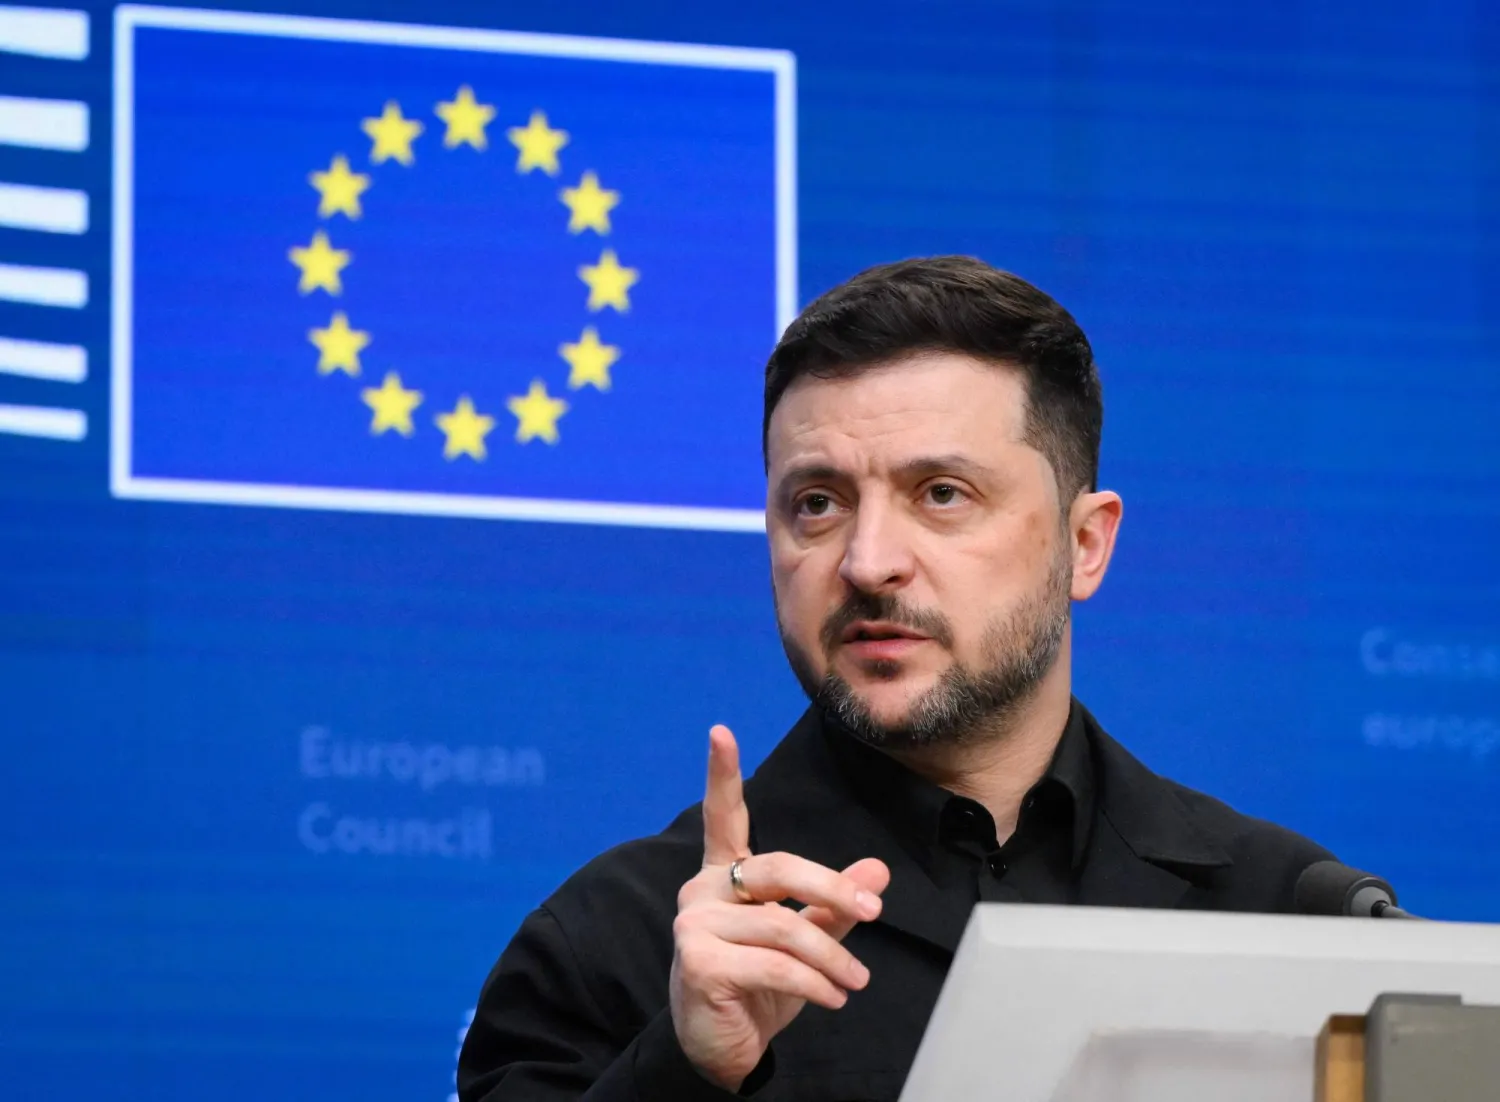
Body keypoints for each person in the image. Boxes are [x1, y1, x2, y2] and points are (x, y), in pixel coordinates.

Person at [456, 256, 1333, 1101]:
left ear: (1085, 544)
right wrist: (689, 1074)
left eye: (941, 493)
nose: (868, 562)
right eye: (818, 504)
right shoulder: (612, 945)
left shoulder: (1292, 915)